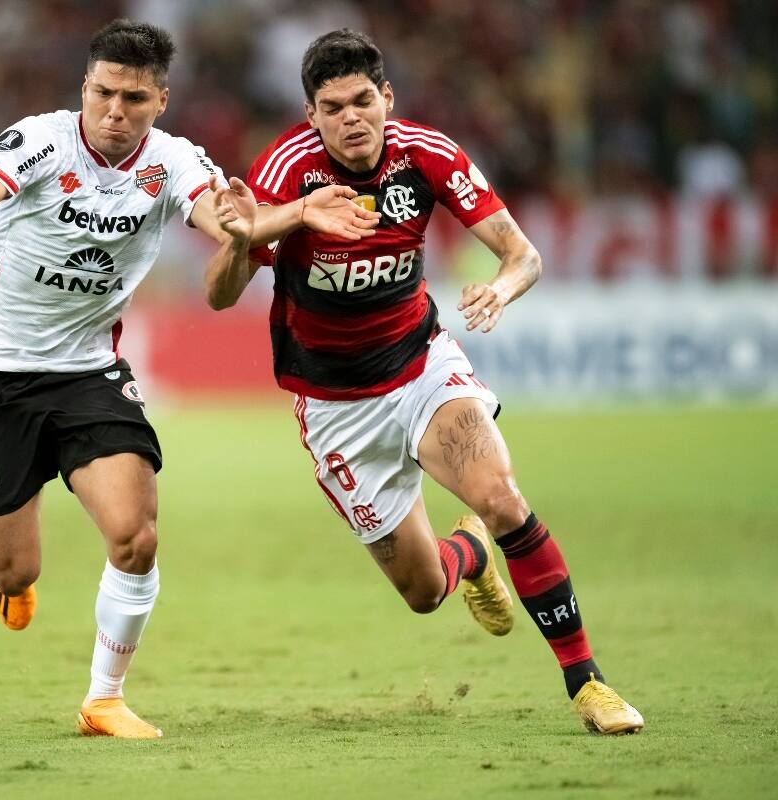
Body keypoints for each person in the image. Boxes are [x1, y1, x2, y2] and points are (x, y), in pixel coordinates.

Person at [0, 20, 378, 739]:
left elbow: (228, 227)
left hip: (89, 369)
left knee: (136, 536)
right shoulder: (41, 139)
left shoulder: (174, 162)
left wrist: (293, 215)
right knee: (14, 572)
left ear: (161, 99)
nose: (114, 111)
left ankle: (104, 699)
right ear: (84, 90)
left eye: (132, 97)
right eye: (102, 93)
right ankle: (6, 569)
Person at [206, 29, 644, 735]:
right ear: (311, 115)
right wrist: (252, 232)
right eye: (330, 107)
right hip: (334, 405)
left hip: (420, 367)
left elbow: (522, 255)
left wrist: (503, 288)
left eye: (360, 101)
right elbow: (220, 292)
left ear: (386, 98)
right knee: (424, 590)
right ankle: (468, 555)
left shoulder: (429, 155)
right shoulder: (287, 168)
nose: (350, 118)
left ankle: (588, 683)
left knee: (503, 496)